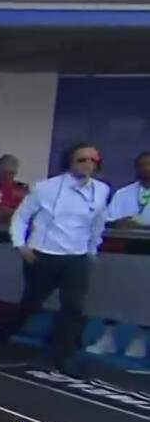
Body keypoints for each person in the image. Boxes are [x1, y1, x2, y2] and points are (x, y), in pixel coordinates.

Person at [0, 143, 111, 374]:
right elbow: (21, 216)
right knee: (31, 304)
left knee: (73, 307)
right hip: (43, 255)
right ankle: (2, 337)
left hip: (77, 258)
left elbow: (98, 223)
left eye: (93, 160)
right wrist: (20, 245)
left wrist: (92, 250)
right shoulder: (45, 188)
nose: (88, 164)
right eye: (82, 160)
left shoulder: (102, 190)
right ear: (69, 162)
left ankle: (64, 357)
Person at [85, 150, 150, 359]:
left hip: (147, 250)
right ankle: (108, 337)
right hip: (124, 249)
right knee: (114, 291)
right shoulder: (124, 193)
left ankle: (140, 338)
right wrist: (120, 223)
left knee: (145, 295)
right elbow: (107, 219)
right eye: (142, 165)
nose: (146, 169)